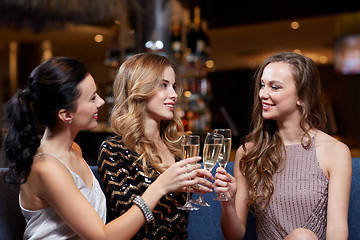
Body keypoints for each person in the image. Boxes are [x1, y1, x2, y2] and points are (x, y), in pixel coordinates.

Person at [3, 56, 209, 240]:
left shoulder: (74, 150)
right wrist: (160, 187)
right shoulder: (47, 168)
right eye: (92, 98)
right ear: (67, 115)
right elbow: (102, 237)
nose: (101, 102)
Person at [214, 52, 352, 240]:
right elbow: (234, 236)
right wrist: (227, 202)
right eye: (262, 85)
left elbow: (337, 230)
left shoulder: (336, 152)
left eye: (275, 87)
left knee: (303, 237)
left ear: (302, 97)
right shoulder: (249, 152)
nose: (263, 94)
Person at [97, 52, 213, 239]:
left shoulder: (175, 147)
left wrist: (194, 187)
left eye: (173, 86)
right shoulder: (114, 150)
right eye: (164, 85)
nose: (174, 95)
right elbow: (122, 231)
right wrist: (162, 186)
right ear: (140, 88)